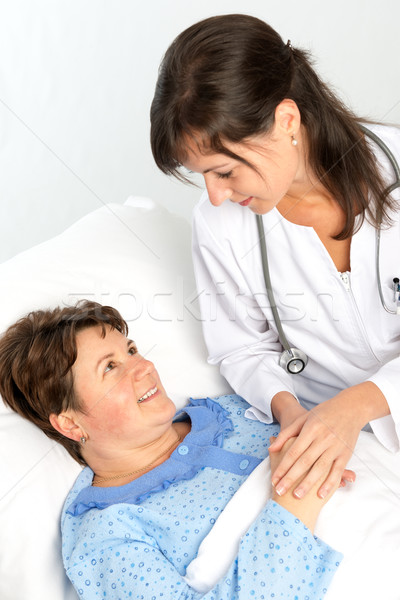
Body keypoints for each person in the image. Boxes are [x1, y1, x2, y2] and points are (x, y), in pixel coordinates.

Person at [150, 13, 400, 503]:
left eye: (224, 171)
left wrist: (355, 407)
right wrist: (293, 413)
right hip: (343, 451)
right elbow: (240, 348)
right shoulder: (218, 224)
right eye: (202, 177)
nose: (215, 195)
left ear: (286, 120)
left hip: (347, 422)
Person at [0, 300, 343, 599]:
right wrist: (297, 491)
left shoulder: (237, 410)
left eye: (131, 351)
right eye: (110, 367)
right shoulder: (109, 537)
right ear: (71, 424)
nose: (145, 367)